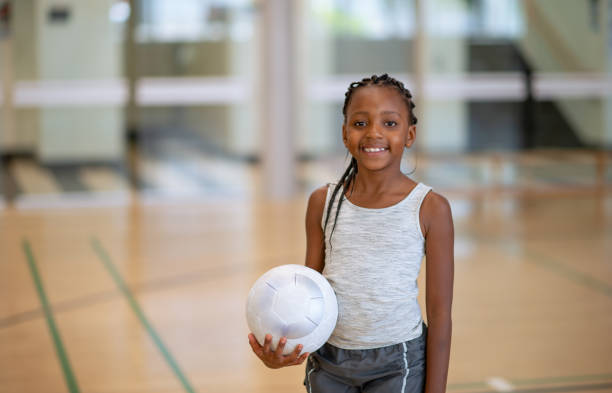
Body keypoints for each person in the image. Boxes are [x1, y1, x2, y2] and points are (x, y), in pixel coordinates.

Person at [248, 73, 454, 393]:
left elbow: (440, 315)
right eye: (360, 124)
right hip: (328, 363)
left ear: (409, 134)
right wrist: (279, 354)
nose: (374, 133)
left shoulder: (431, 208)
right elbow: (306, 296)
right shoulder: (322, 202)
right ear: (345, 134)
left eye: (389, 123)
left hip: (397, 363)